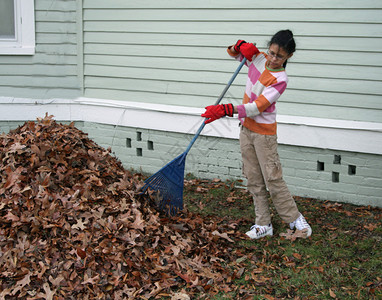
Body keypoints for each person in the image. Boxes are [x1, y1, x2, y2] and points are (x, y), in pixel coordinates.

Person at [201, 30, 312, 239]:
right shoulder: (259, 59)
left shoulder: (280, 79)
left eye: (279, 56)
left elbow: (257, 107)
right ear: (268, 48)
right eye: (271, 52)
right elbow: (233, 54)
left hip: (264, 135)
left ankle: (295, 220)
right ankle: (263, 224)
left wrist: (226, 109)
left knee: (273, 178)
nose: (273, 58)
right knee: (253, 178)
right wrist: (239, 45)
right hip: (246, 129)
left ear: (289, 57)